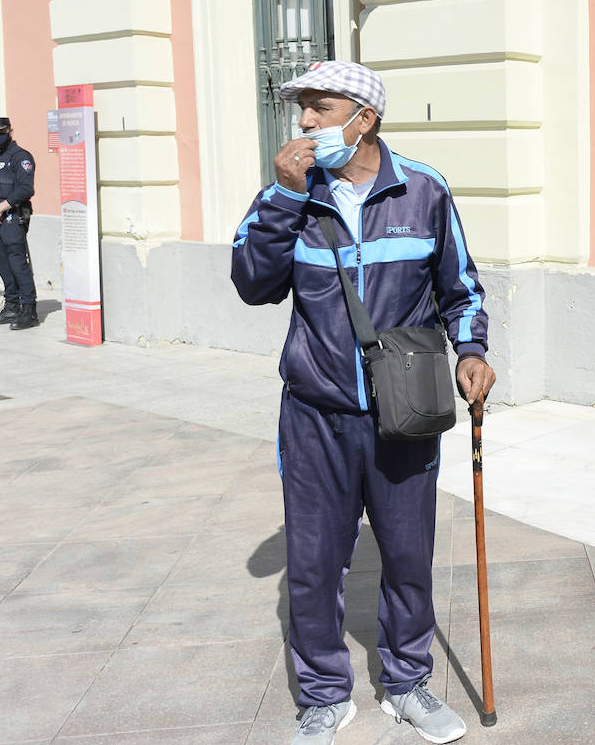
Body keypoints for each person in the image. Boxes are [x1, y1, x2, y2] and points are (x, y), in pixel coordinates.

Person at [231, 60, 495, 745]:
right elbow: (252, 284)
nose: (306, 123)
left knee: (408, 554)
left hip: (404, 409)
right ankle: (323, 695)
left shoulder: (425, 191)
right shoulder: (291, 195)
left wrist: (471, 352)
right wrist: (284, 199)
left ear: (364, 119)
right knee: (315, 562)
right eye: (303, 110)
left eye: (319, 109)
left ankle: (407, 683)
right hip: (314, 412)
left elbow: (461, 289)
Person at [0, 116, 38, 329]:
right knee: (2, 263)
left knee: (18, 263)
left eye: (0, 130)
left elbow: (26, 188)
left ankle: (29, 309)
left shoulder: (21, 157)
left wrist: (4, 205)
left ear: (10, 130)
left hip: (13, 217)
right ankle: (11, 305)